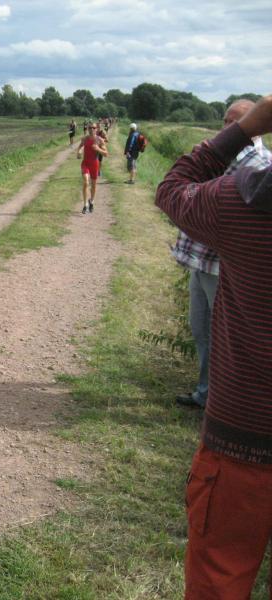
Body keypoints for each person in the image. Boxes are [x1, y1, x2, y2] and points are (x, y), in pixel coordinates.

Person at [156, 94, 272, 598]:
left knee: (220, 578)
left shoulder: (245, 200)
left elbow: (171, 189)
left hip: (244, 434)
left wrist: (240, 132)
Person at [172, 99, 272, 410]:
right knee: (202, 330)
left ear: (257, 125)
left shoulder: (258, 164)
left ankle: (227, 402)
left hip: (225, 268)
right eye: (226, 121)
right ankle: (206, 393)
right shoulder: (221, 155)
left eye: (236, 122)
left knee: (228, 339)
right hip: (201, 260)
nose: (228, 128)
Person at [76, 124, 108, 214]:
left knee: (93, 185)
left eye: (93, 128)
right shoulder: (84, 138)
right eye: (89, 128)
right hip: (85, 163)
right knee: (86, 182)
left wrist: (98, 149)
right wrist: (79, 152)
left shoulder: (100, 140)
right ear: (88, 129)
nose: (91, 129)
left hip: (94, 164)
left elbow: (106, 154)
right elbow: (80, 147)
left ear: (96, 129)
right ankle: (85, 205)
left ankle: (92, 201)